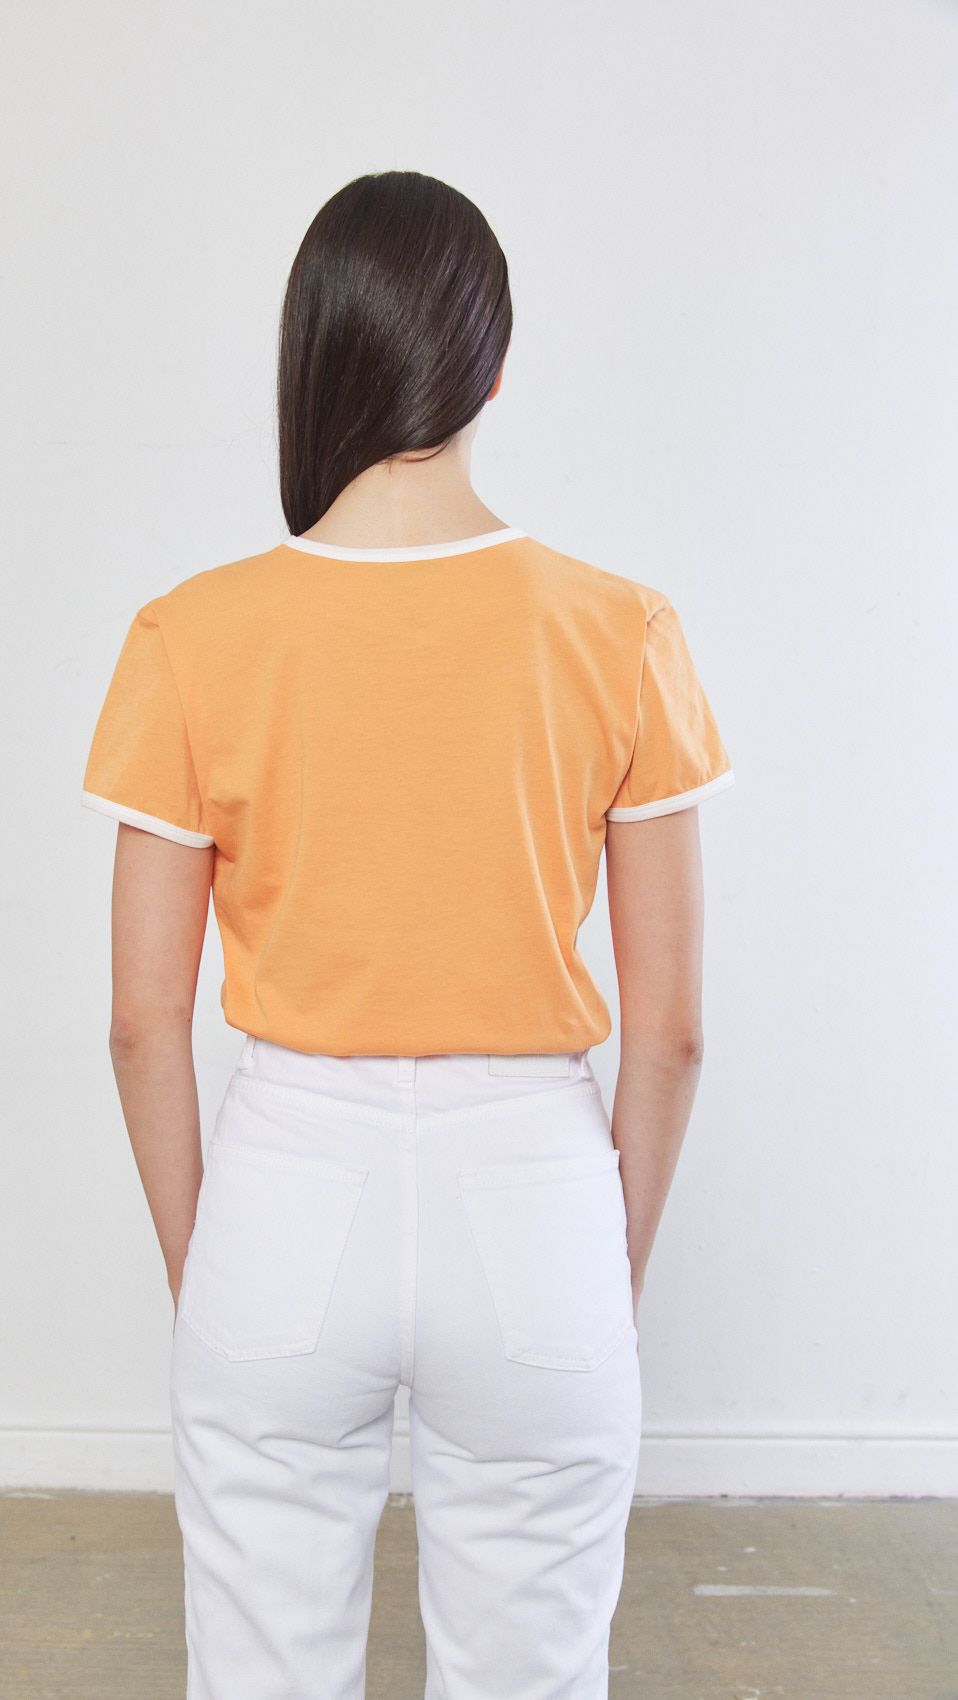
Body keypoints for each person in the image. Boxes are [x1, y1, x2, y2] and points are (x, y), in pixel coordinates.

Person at [80, 169, 735, 1700]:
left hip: (286, 1187)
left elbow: (139, 1023)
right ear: (490, 369)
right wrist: (598, 1265)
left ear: (314, 356)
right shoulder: (618, 629)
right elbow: (673, 1030)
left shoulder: (192, 634)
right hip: (534, 1194)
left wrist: (211, 1268)